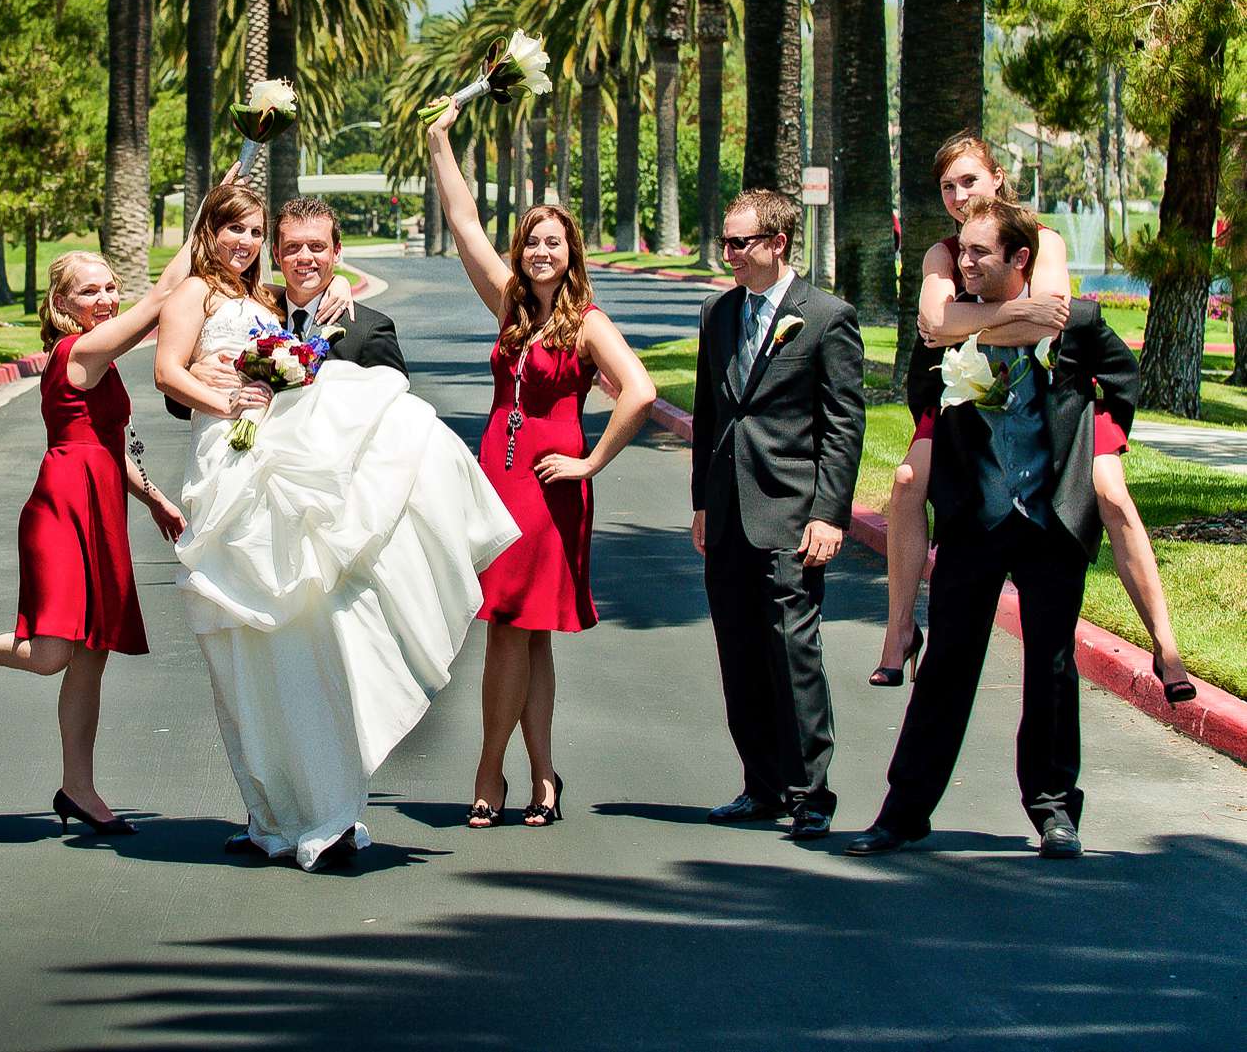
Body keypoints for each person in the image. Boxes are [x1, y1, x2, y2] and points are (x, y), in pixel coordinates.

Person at [154, 181, 519, 870]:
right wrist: (220, 387)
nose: (294, 257)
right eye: (284, 245)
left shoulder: (362, 324)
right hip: (247, 498)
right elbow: (182, 386)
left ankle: (334, 809)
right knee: (257, 651)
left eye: (309, 246)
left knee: (326, 663)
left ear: (336, 252)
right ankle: (272, 810)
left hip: (335, 530)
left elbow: (388, 426)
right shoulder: (246, 304)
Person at [849, 199, 1141, 859]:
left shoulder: (1078, 325)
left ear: (1020, 259)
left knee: (1052, 665)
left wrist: (1099, 450)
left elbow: (1122, 380)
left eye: (980, 252)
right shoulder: (948, 331)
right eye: (962, 250)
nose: (965, 260)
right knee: (947, 664)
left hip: (1050, 522)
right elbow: (923, 394)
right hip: (974, 521)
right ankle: (903, 811)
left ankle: (1054, 809)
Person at [873, 133, 1193, 703]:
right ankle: (901, 631)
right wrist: (1005, 316)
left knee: (1110, 491)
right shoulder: (942, 254)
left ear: (997, 177)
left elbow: (1051, 326)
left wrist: (965, 320)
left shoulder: (1040, 240)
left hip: (1059, 388)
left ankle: (1166, 645)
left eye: (969, 180)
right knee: (904, 483)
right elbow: (930, 325)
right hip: (970, 386)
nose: (957, 193)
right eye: (947, 186)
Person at [425, 103, 657, 829]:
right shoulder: (508, 307)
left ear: (571, 251)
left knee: (512, 627)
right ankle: (543, 775)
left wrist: (590, 463)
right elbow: (465, 224)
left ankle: (490, 771)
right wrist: (439, 142)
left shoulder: (587, 322)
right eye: (531, 242)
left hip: (550, 486)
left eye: (552, 242)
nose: (539, 253)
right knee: (524, 629)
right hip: (499, 475)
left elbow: (641, 391)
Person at [0, 245, 193, 836]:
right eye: (90, 291)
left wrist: (153, 496)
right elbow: (161, 298)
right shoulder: (77, 351)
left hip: (103, 509)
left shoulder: (101, 355)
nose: (107, 299)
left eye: (111, 288)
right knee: (51, 653)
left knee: (93, 653)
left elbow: (109, 446)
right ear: (61, 303)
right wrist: (208, 215)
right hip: (60, 509)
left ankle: (78, 788)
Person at [691, 190, 867, 841]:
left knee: (793, 650)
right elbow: (711, 416)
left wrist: (829, 513)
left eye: (740, 243)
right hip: (729, 511)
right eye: (726, 243)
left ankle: (810, 790)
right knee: (737, 650)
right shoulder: (718, 313)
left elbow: (844, 427)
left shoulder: (826, 317)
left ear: (778, 245)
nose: (730, 254)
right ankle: (760, 784)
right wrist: (702, 503)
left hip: (791, 513)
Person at [164, 194, 405, 417]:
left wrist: (338, 281)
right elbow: (176, 402)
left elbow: (394, 416)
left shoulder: (368, 330)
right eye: (292, 247)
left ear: (337, 252)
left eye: (317, 247)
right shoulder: (259, 308)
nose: (304, 257)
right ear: (277, 255)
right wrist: (196, 374)